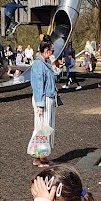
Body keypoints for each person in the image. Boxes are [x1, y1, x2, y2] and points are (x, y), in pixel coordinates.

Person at [27, 38, 57, 166]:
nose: (53, 53)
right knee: (42, 128)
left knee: (46, 128)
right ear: (46, 50)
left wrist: (53, 64)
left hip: (48, 98)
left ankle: (43, 156)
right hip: (43, 99)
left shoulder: (46, 63)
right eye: (52, 50)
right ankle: (38, 156)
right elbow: (38, 85)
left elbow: (54, 76)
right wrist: (40, 104)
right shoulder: (39, 65)